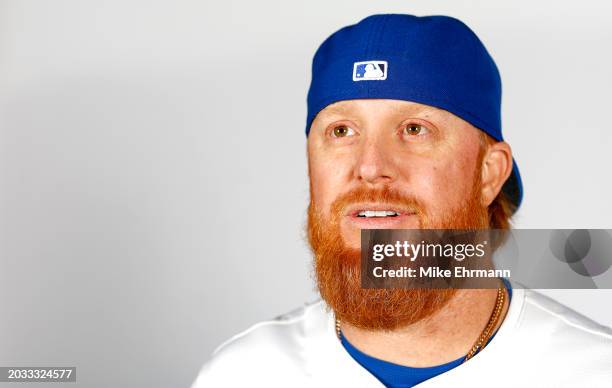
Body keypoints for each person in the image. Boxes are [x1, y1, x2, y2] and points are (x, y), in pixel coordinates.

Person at [191, 14, 612, 387]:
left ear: (488, 173)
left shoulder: (594, 372)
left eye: (414, 129)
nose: (370, 166)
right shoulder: (242, 374)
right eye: (341, 131)